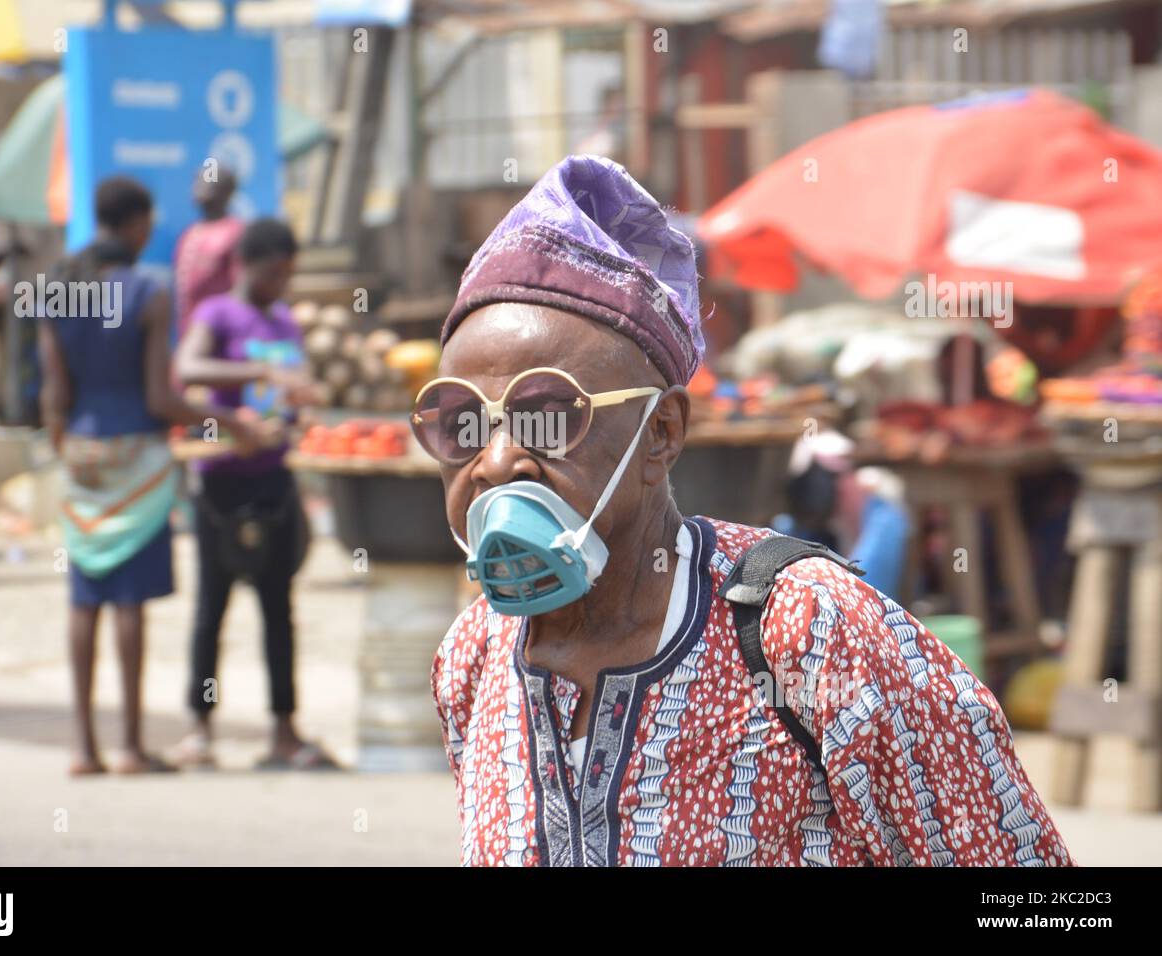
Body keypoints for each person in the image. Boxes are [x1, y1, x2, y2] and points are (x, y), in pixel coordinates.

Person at [422, 155, 1072, 866]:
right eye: (460, 423)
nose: (494, 460)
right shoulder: (474, 655)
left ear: (662, 432)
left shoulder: (809, 630)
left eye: (546, 417)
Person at [38, 176, 263, 776]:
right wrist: (228, 420)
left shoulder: (59, 292)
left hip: (81, 453)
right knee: (129, 598)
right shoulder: (148, 292)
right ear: (136, 224)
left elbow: (55, 395)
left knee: (85, 599)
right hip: (136, 455)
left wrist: (69, 449)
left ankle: (84, 749)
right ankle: (132, 746)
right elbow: (160, 400)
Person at [173, 217, 337, 770]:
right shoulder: (216, 314)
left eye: (288, 275)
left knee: (277, 609)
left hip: (274, 479)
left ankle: (284, 731)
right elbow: (188, 368)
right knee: (211, 607)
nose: (281, 285)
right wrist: (255, 370)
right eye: (273, 273)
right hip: (221, 479)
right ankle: (199, 728)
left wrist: (303, 398)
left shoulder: (285, 319)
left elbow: (298, 382)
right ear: (246, 266)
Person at [173, 166, 245, 339]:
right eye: (197, 180)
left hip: (219, 337)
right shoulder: (189, 234)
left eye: (207, 179)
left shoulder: (235, 232)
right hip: (186, 334)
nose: (199, 185)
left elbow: (241, 291)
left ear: (227, 189)